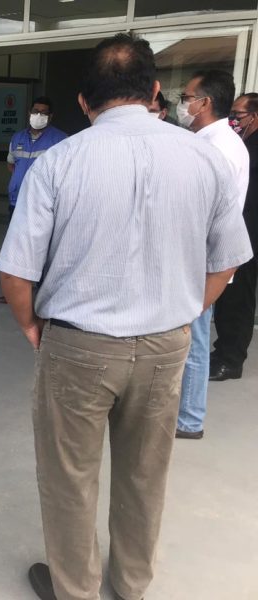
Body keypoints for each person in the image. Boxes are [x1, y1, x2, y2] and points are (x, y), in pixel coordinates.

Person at [0, 34, 251, 600]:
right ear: (155, 91)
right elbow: (228, 260)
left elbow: (15, 274)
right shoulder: (205, 158)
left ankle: (75, 589)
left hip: (78, 347)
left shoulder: (58, 162)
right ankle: (131, 584)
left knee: (70, 477)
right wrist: (186, 311)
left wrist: (34, 330)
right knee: (145, 474)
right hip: (166, 345)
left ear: (83, 101)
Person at [174, 70, 249, 440]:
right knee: (192, 335)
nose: (182, 104)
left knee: (194, 337)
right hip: (203, 258)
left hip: (201, 261)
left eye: (186, 97)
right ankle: (186, 413)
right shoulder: (217, 141)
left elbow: (203, 211)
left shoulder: (215, 147)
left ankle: (189, 419)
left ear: (203, 103)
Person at [0, 97, 67, 303]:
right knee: (16, 249)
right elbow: (11, 164)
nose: (39, 115)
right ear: (29, 112)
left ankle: (43, 294)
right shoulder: (17, 137)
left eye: (44, 112)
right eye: (36, 111)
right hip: (17, 201)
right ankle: (15, 292)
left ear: (50, 116)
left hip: (43, 205)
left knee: (43, 249)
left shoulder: (60, 140)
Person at [209, 93, 258, 381]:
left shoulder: (250, 148)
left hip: (248, 234)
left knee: (238, 299)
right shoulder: (242, 143)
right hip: (239, 230)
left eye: (238, 114)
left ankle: (230, 359)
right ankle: (224, 352)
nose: (233, 119)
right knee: (229, 297)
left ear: (254, 116)